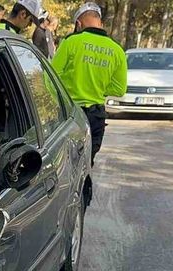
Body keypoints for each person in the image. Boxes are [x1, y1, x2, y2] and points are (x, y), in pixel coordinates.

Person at [52, 2, 126, 166]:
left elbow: (50, 78)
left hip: (70, 114)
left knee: (65, 164)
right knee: (86, 164)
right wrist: (98, 87)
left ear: (78, 24)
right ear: (101, 23)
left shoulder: (71, 42)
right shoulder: (117, 50)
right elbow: (120, 89)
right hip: (96, 117)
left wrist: (59, 100)